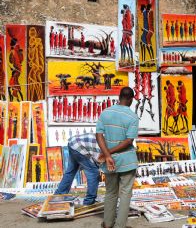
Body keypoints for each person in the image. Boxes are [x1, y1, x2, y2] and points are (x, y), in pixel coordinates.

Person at [96, 87, 139, 228]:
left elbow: (99, 135)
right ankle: (120, 226)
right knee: (125, 194)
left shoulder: (105, 113)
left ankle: (108, 224)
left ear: (119, 97)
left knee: (111, 192)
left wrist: (107, 155)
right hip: (127, 161)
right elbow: (128, 141)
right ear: (131, 99)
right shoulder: (132, 117)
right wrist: (109, 153)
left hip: (110, 162)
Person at [54, 133, 103, 205]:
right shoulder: (110, 146)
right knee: (93, 173)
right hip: (79, 145)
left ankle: (58, 196)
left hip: (73, 143)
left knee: (71, 171)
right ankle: (89, 201)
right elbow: (99, 160)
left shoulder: (111, 140)